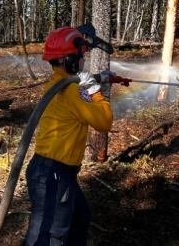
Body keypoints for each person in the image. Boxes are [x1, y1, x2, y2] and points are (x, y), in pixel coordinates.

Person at [24, 25, 129, 245]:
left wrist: (100, 78)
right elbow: (104, 122)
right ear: (69, 60)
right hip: (54, 174)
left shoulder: (58, 82)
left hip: (52, 171)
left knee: (80, 218)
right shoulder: (73, 91)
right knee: (49, 236)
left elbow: (77, 84)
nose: (83, 60)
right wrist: (95, 92)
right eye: (81, 56)